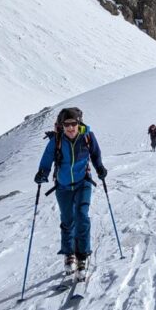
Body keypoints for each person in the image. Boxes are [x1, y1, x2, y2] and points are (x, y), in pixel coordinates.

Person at [34, 106, 107, 280]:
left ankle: (82, 255)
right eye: (66, 124)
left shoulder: (88, 137)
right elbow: (47, 159)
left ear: (78, 123)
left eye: (73, 123)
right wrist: (42, 173)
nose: (70, 128)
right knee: (67, 221)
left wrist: (100, 168)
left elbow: (96, 155)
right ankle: (69, 254)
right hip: (63, 187)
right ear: (62, 126)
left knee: (82, 217)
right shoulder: (57, 140)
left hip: (83, 184)